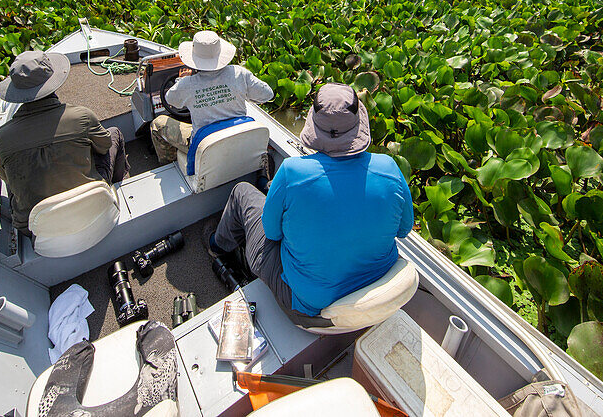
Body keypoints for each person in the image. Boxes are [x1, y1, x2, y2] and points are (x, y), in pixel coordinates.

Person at [207, 82, 414, 326]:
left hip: (308, 310)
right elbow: (404, 229)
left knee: (242, 192)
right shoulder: (390, 167)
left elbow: (272, 233)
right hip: (375, 297)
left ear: (314, 125)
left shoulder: (293, 172)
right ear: (358, 125)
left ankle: (216, 247)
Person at [0, 50, 129, 234]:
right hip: (91, 208)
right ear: (52, 82)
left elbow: (5, 177)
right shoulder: (81, 115)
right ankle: (115, 189)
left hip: (35, 228)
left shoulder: (0, 138)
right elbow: (104, 146)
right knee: (114, 134)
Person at [150, 30, 274, 165]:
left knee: (158, 124)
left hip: (205, 145)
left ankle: (170, 163)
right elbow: (267, 95)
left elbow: (171, 100)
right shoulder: (239, 73)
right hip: (236, 137)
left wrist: (181, 80)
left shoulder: (187, 84)